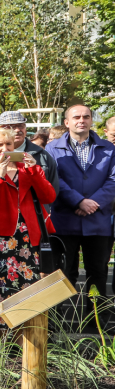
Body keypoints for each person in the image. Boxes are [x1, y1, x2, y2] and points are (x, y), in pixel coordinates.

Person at [0, 128, 57, 330]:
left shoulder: (29, 168)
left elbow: (49, 197)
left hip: (28, 237)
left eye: (8, 145)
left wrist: (34, 170)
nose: (4, 149)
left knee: (27, 286)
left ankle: (25, 334)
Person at [46, 105, 115, 295]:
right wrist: (78, 201)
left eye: (86, 117)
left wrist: (93, 203)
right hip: (65, 220)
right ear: (67, 122)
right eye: (76, 117)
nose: (81, 120)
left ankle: (96, 320)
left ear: (92, 121)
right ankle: (58, 321)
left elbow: (113, 179)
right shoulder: (52, 148)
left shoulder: (108, 148)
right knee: (64, 273)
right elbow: (54, 179)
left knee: (98, 272)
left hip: (97, 221)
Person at [0, 111, 59, 197]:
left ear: (25, 130)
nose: (18, 130)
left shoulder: (42, 155)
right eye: (12, 127)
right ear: (1, 130)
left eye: (21, 126)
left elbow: (52, 193)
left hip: (34, 210)